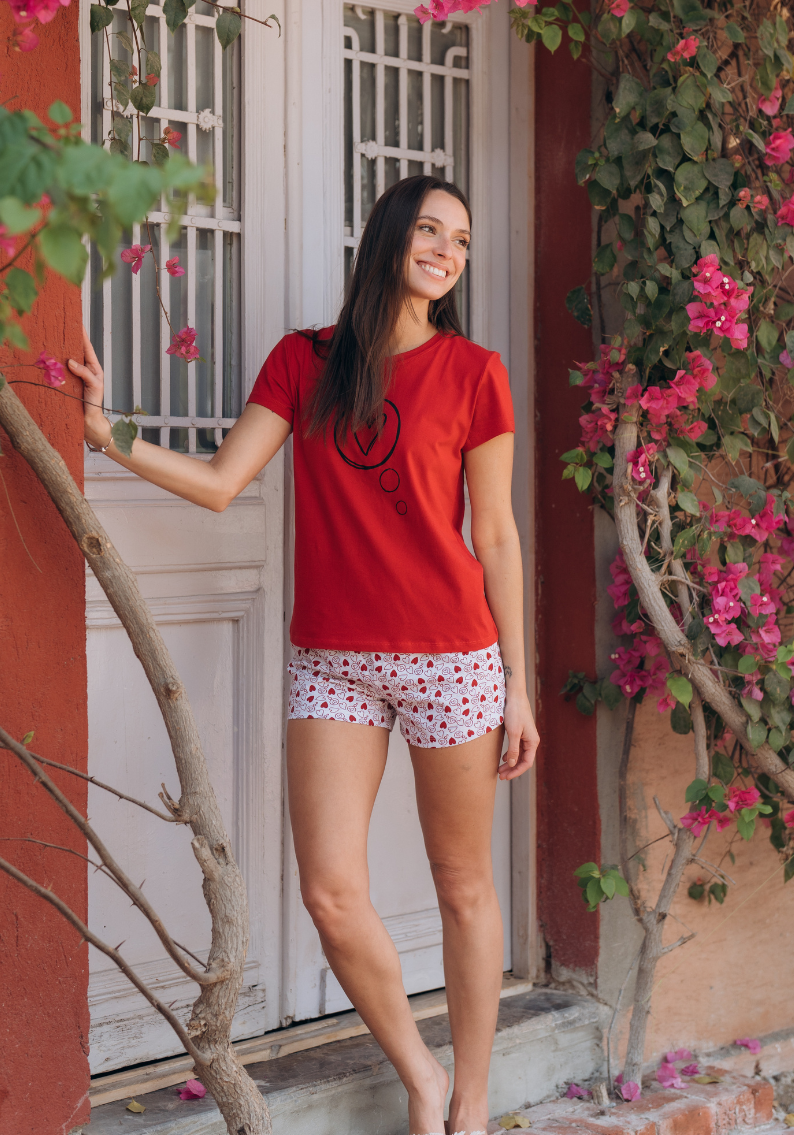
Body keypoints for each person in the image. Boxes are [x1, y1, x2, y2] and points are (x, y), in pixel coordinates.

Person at [68, 174, 539, 1135]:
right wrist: (106, 436)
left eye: (462, 238)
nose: (448, 250)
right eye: (430, 230)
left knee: (463, 884)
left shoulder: (475, 372)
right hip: (333, 659)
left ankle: (477, 1098)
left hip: (453, 657)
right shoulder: (305, 360)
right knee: (329, 894)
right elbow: (219, 482)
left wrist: (518, 689)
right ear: (387, 238)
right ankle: (422, 1075)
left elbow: (495, 534)